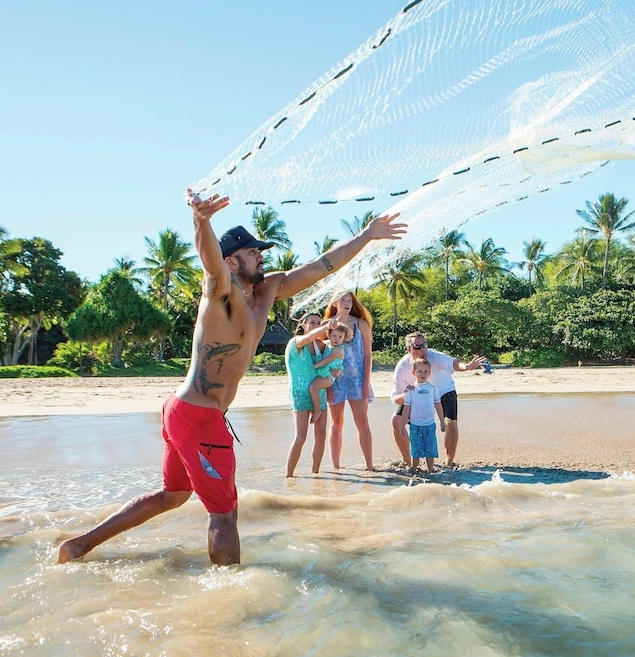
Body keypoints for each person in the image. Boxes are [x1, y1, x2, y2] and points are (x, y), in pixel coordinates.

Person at [57, 189, 405, 565]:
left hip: (186, 411)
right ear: (232, 262)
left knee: (173, 496)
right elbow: (210, 261)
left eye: (260, 250)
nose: (261, 255)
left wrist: (366, 235)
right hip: (199, 415)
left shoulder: (268, 290)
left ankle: (78, 546)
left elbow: (322, 266)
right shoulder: (220, 292)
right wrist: (201, 221)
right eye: (252, 251)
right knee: (224, 513)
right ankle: (231, 594)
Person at [390, 332, 486, 468]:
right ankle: (408, 461)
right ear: (409, 350)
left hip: (443, 391)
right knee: (396, 420)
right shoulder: (402, 366)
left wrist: (466, 367)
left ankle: (449, 463)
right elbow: (395, 398)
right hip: (416, 396)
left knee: (451, 423)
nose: (423, 350)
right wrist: (406, 394)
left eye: (425, 345)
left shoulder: (435, 356)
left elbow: (452, 363)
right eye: (418, 347)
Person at [285, 313, 341, 477]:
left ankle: (315, 474)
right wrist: (326, 326)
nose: (316, 325)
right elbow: (309, 336)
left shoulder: (321, 346)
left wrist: (337, 372)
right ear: (303, 325)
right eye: (312, 322)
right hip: (300, 394)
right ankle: (289, 476)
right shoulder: (295, 343)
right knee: (301, 437)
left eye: (318, 322)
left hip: (319, 392)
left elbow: (330, 365)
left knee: (321, 434)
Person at [324, 291, 375, 471]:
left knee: (363, 423)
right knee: (336, 424)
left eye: (350, 301)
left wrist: (366, 383)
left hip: (357, 380)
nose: (347, 303)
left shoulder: (360, 324)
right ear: (334, 303)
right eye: (343, 300)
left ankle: (369, 466)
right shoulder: (326, 325)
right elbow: (320, 354)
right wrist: (326, 385)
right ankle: (336, 467)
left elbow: (368, 356)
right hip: (334, 382)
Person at [402, 357, 445, 473]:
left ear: (429, 373)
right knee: (416, 450)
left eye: (426, 371)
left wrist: (442, 421)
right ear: (414, 373)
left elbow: (438, 405)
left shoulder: (433, 388)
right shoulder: (410, 389)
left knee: (430, 449)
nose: (423, 374)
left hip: (430, 425)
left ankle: (430, 471)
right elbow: (406, 408)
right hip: (415, 425)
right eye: (419, 371)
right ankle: (414, 469)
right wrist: (402, 425)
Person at [308, 321, 352, 424]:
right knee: (311, 388)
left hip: (329, 376)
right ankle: (312, 407)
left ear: (344, 338)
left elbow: (326, 361)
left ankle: (317, 410)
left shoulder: (339, 349)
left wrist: (312, 367)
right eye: (334, 336)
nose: (337, 339)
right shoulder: (327, 343)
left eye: (340, 337)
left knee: (313, 387)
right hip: (323, 371)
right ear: (329, 335)